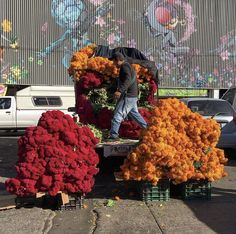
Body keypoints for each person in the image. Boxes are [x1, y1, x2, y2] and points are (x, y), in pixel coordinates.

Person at [108, 52, 147, 141]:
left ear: (117, 60)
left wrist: (119, 91)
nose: (113, 64)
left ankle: (113, 135)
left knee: (118, 115)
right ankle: (148, 129)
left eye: (114, 62)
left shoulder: (124, 66)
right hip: (133, 96)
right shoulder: (128, 66)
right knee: (135, 114)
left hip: (128, 96)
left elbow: (127, 79)